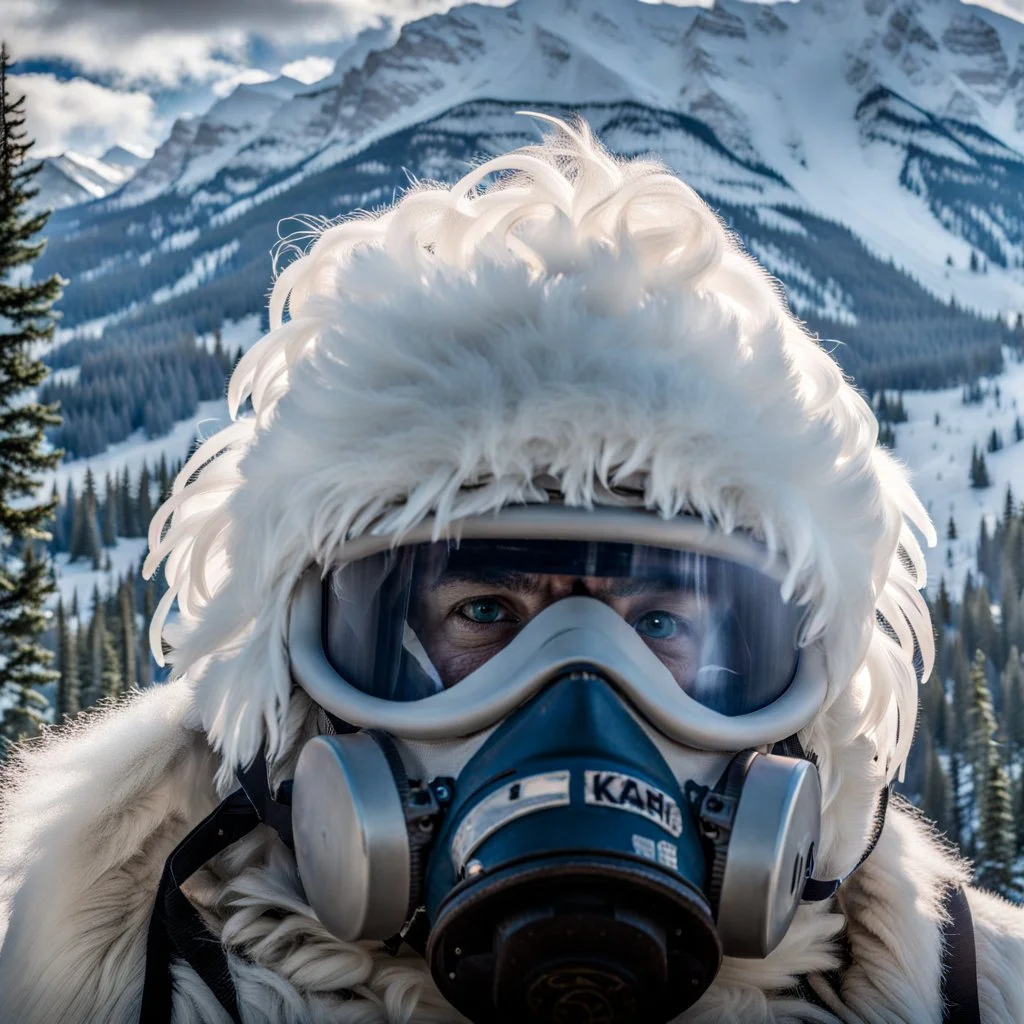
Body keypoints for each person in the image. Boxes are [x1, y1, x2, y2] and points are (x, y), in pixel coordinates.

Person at [1, 114, 1022, 1024]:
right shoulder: (92, 971)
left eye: (661, 624)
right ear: (306, 704)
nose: (580, 699)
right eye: (485, 610)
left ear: (806, 720)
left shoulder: (973, 988)